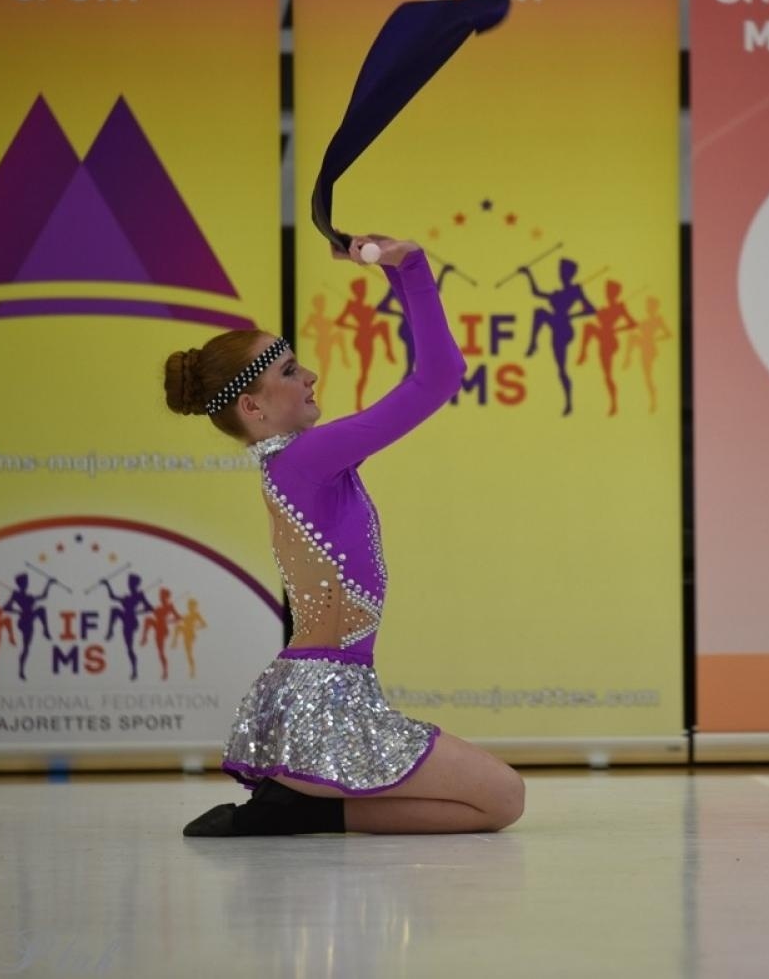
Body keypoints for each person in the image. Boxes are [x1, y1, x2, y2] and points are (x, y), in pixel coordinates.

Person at [164, 236, 524, 837]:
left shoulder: (295, 464)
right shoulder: (306, 461)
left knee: (500, 802)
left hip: (327, 692)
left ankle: (295, 811)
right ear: (253, 407)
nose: (309, 375)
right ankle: (294, 809)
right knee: (503, 798)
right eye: (288, 370)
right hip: (325, 701)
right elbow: (439, 377)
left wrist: (396, 272)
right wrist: (410, 266)